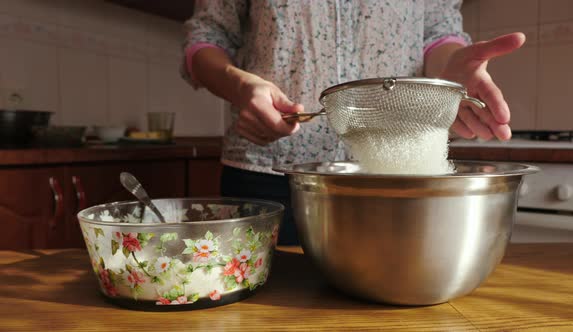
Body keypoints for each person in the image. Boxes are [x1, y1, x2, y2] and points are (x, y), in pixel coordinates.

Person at [181, 0, 525, 244]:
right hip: (270, 177)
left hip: (396, 179)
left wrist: (451, 69)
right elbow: (207, 37)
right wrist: (241, 86)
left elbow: (437, 33)